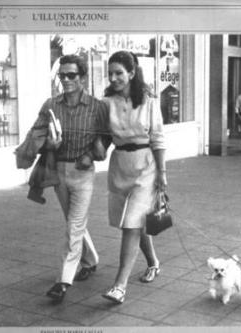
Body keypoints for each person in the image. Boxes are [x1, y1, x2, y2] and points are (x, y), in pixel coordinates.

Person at [29, 54, 109, 303]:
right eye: (61, 75)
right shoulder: (51, 105)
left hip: (83, 172)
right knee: (73, 222)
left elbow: (107, 136)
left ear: (82, 77)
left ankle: (63, 281)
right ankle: (91, 259)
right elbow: (36, 135)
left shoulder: (97, 107)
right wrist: (48, 145)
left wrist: (91, 155)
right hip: (59, 171)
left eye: (71, 75)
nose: (65, 80)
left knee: (74, 226)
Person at [101, 51, 167, 304]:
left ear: (131, 72)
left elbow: (158, 138)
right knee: (134, 222)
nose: (114, 78)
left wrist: (162, 173)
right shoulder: (106, 103)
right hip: (119, 166)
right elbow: (101, 139)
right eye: (111, 73)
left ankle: (119, 286)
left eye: (119, 72)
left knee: (131, 224)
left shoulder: (149, 100)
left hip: (146, 167)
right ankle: (153, 263)